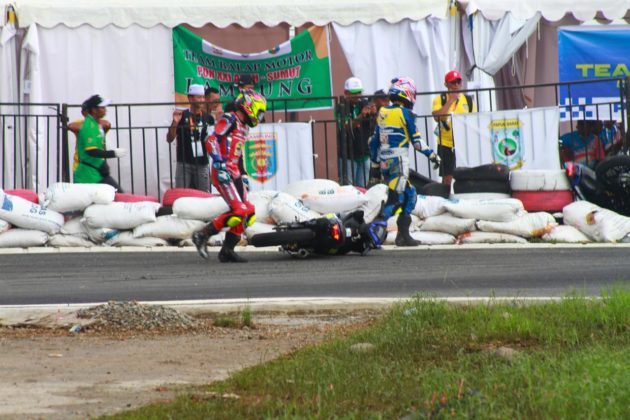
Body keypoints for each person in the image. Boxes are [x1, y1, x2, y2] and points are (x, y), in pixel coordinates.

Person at [192, 89, 268, 263]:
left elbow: (238, 153)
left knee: (249, 211)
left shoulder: (244, 126)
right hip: (223, 171)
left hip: (235, 173)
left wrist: (244, 175)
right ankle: (202, 234)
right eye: (260, 113)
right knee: (239, 210)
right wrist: (218, 163)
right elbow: (211, 140)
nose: (260, 117)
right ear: (250, 106)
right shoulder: (230, 119)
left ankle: (227, 250)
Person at [369, 77, 441, 246]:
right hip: (399, 161)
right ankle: (373, 230)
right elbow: (417, 142)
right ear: (407, 94)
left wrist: (374, 166)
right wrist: (432, 155)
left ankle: (403, 236)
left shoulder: (382, 112)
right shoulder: (406, 114)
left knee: (410, 195)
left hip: (385, 162)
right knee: (396, 199)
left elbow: (374, 142)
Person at [73, 94, 126, 191]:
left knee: (117, 194)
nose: (105, 110)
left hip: (96, 172)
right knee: (118, 194)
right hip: (88, 175)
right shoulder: (89, 126)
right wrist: (113, 153)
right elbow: (91, 151)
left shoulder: (95, 124)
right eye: (102, 107)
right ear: (94, 110)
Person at [166, 84, 214, 191]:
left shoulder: (208, 118)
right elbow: (170, 138)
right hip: (184, 163)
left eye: (203, 97)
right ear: (190, 98)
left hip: (202, 163)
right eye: (199, 97)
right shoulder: (181, 115)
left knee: (204, 196)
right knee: (181, 195)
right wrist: (175, 122)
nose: (202, 100)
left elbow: (213, 141)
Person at [432, 70, 476, 187]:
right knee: (447, 178)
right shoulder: (440, 99)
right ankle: (445, 196)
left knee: (467, 175)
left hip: (463, 143)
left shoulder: (468, 100)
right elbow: (438, 117)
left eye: (458, 82)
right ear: (446, 84)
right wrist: (451, 100)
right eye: (453, 82)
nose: (456, 85)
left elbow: (474, 120)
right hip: (446, 143)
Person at [338, 76, 374, 187]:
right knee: (348, 189)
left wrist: (374, 114)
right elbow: (344, 127)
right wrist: (361, 116)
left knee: (362, 189)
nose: (358, 95)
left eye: (359, 92)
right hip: (348, 155)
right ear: (346, 93)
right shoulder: (341, 106)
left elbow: (375, 125)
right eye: (354, 93)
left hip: (364, 154)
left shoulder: (365, 104)